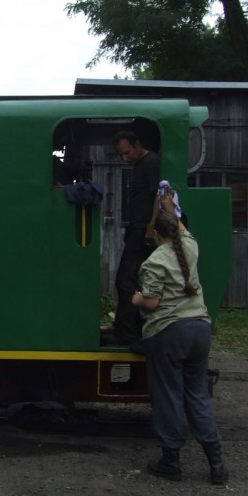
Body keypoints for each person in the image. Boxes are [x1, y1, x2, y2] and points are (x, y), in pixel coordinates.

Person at [132, 191, 228, 484]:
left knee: (169, 394)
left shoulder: (154, 262)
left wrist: (136, 299)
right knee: (197, 394)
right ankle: (216, 462)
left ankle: (170, 460)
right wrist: (170, 206)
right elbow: (182, 229)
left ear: (154, 233)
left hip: (169, 333)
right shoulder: (190, 246)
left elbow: (152, 302)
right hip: (199, 329)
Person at [105, 131, 160, 347]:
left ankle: (128, 335)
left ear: (138, 144)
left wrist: (151, 227)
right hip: (136, 229)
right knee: (129, 281)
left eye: (127, 152)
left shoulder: (151, 163)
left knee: (126, 280)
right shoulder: (139, 165)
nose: (124, 158)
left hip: (143, 231)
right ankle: (127, 330)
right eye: (120, 155)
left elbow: (158, 195)